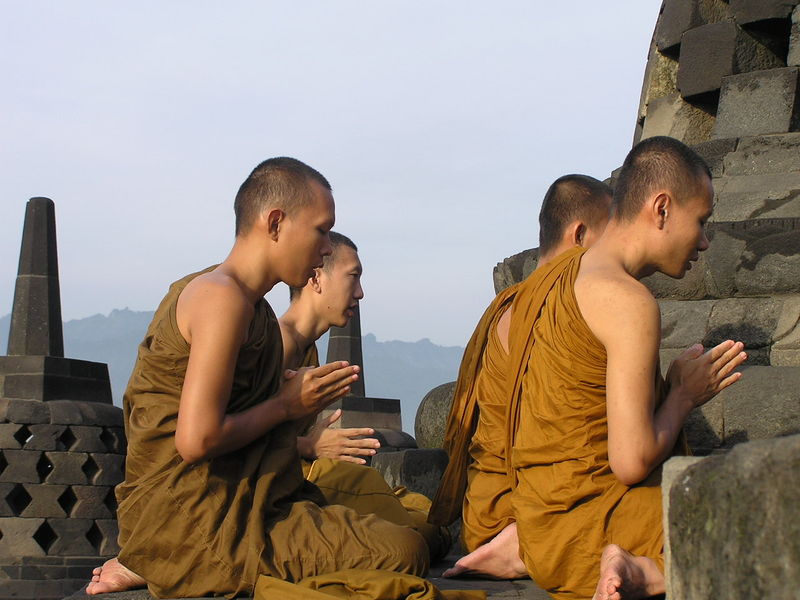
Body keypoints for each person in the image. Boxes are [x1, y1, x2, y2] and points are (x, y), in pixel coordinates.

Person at [86, 158, 429, 598]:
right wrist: (287, 407)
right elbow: (196, 440)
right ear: (276, 223)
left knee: (407, 530)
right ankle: (152, 562)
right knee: (406, 549)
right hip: (197, 526)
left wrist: (288, 412)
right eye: (322, 230)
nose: (326, 247)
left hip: (235, 504)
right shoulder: (221, 299)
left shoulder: (250, 308)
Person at [506, 136, 747, 599]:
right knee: (757, 510)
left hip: (540, 531)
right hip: (593, 529)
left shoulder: (557, 278)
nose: (704, 240)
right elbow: (630, 460)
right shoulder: (628, 300)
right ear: (661, 208)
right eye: (700, 221)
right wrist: (682, 396)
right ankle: (639, 569)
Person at [429, 175, 613, 579]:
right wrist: (680, 396)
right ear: (579, 235)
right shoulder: (575, 305)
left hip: (485, 515)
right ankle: (531, 544)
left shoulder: (503, 308)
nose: (616, 252)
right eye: (610, 236)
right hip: (548, 517)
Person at [279, 232, 452, 562]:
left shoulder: (305, 351)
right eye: (353, 277)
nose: (360, 293)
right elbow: (218, 445)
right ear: (316, 277)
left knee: (430, 524)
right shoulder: (276, 345)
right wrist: (309, 447)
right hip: (275, 506)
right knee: (411, 546)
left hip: (303, 485)